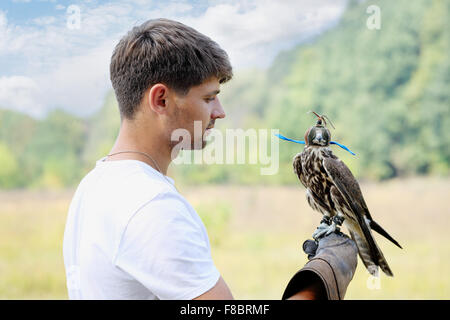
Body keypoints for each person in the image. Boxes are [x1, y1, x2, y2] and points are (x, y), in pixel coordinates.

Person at [63, 18, 357, 300]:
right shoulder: (151, 206)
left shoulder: (93, 186)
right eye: (208, 98)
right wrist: (321, 279)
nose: (219, 111)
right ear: (161, 100)